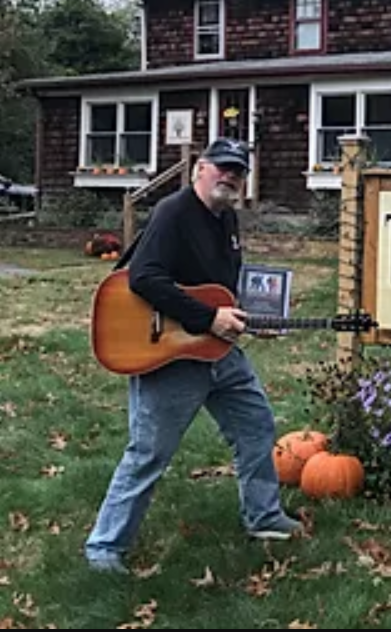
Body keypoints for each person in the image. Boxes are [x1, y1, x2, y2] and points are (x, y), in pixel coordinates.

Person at [85, 138, 301, 575]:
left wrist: (253, 318)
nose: (230, 176)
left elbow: (219, 288)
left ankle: (264, 517)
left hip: (218, 351)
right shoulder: (173, 213)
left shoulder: (226, 219)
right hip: (170, 354)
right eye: (222, 167)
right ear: (199, 168)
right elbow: (144, 278)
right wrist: (208, 317)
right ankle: (105, 546)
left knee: (256, 425)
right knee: (149, 452)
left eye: (238, 171)